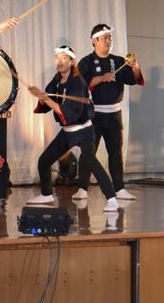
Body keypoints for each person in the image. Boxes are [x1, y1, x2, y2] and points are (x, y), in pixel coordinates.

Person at [26, 45, 119, 211]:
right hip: (67, 133)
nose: (59, 61)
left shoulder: (78, 82)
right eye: (57, 58)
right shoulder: (56, 80)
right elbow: (48, 100)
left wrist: (46, 99)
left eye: (63, 58)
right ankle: (47, 194)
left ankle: (112, 199)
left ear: (72, 61)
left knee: (91, 162)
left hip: (83, 130)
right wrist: (41, 97)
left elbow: (70, 112)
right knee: (44, 160)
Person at [74, 23, 143, 201]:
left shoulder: (119, 61)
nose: (108, 40)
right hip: (93, 113)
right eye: (105, 37)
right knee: (88, 152)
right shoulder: (86, 62)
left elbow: (134, 80)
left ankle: (119, 188)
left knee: (115, 151)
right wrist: (99, 79)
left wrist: (135, 67)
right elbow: (79, 84)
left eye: (110, 37)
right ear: (95, 40)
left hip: (113, 114)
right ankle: (82, 188)